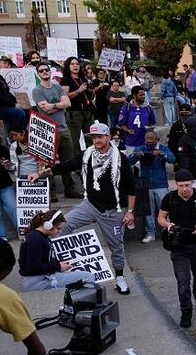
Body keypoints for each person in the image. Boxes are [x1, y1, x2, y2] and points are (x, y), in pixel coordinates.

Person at [30, 122, 135, 295]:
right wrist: (41, 173)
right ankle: (65, 267)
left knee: (116, 246)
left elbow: (131, 187)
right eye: (93, 137)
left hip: (114, 209)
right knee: (62, 226)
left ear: (108, 137)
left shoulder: (120, 158)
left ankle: (119, 278)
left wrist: (130, 212)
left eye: (99, 137)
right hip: (91, 204)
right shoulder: (87, 154)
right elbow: (67, 165)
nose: (96, 140)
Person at [157, 170, 196, 328]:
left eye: (187, 185)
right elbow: (161, 217)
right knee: (183, 282)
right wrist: (168, 225)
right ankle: (186, 311)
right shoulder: (170, 198)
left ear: (192, 183)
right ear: (176, 185)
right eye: (181, 186)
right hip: (179, 245)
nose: (185, 189)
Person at [31, 62, 82, 199]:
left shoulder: (57, 86)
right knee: (48, 162)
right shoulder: (37, 90)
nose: (44, 72)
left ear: (50, 71)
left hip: (64, 129)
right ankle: (51, 190)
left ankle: (70, 189)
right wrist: (60, 105)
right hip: (48, 130)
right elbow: (44, 110)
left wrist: (53, 105)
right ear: (38, 74)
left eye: (46, 70)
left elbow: (68, 103)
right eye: (41, 71)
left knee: (68, 161)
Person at [18, 209, 95, 291]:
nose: (60, 231)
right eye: (58, 228)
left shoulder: (38, 236)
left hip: (38, 278)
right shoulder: (36, 240)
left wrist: (57, 264)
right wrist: (58, 267)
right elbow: (33, 267)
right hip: (38, 281)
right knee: (88, 276)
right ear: (48, 225)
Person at [129, 129, 176, 244]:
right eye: (148, 143)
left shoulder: (163, 148)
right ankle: (150, 233)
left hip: (161, 184)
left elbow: (172, 159)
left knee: (164, 209)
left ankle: (168, 230)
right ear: (145, 140)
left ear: (156, 140)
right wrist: (136, 156)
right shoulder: (140, 148)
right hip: (146, 185)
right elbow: (129, 161)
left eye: (152, 143)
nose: (150, 145)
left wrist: (161, 153)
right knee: (148, 211)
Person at [60, 57, 92, 152]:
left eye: (77, 64)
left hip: (87, 111)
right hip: (74, 113)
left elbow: (90, 96)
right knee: (74, 140)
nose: (75, 66)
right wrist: (79, 90)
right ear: (68, 66)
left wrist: (91, 90)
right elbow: (64, 96)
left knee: (91, 137)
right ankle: (76, 162)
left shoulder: (83, 78)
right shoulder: (66, 79)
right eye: (72, 64)